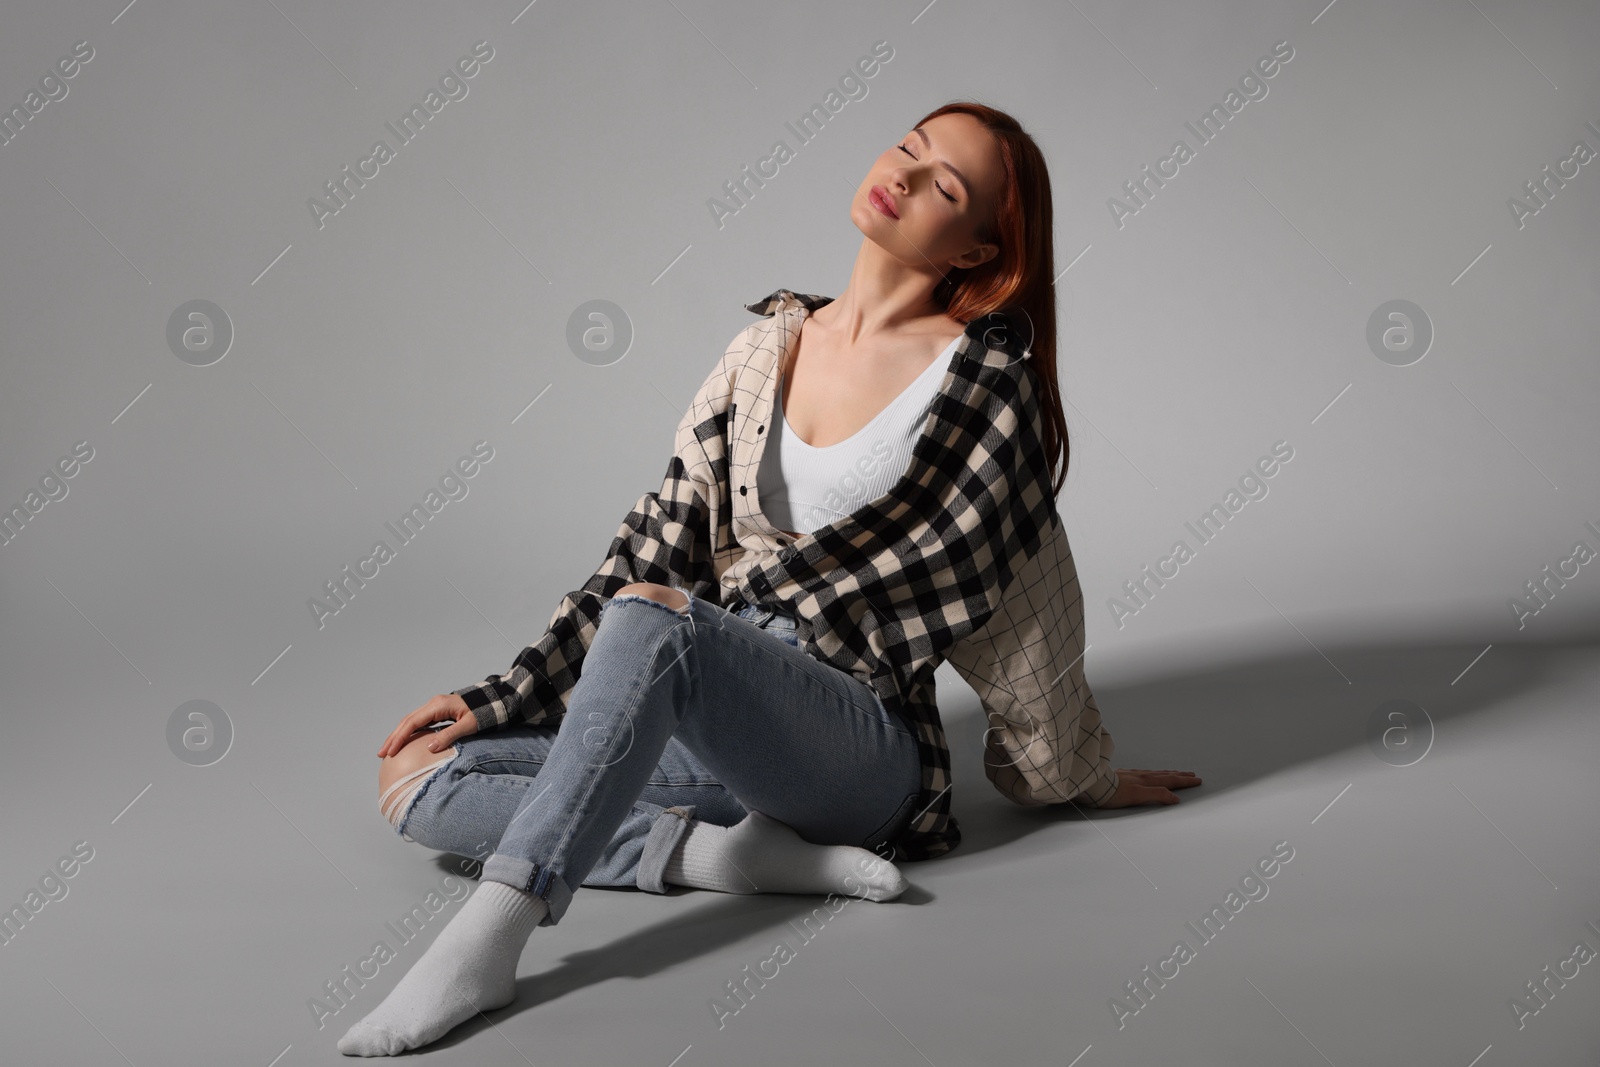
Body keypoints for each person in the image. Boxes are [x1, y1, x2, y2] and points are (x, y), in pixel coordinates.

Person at [337, 101, 1201, 1057]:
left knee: (657, 619)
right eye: (909, 149)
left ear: (976, 248)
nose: (907, 177)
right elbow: (653, 545)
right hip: (713, 711)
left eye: (946, 186)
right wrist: (503, 697)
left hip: (857, 747)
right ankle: (725, 858)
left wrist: (1072, 771)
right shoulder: (762, 350)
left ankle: (486, 945)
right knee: (413, 774)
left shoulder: (985, 393)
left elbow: (1031, 611)